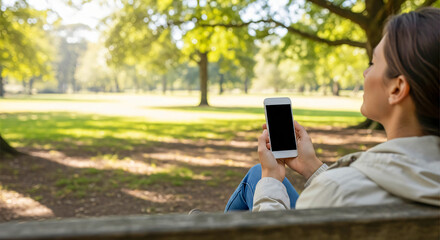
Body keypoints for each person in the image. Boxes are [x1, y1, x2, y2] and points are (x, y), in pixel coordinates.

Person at [225, 7, 440, 212]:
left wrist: (271, 177)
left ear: (397, 88)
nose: (365, 73)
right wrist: (311, 166)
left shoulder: (335, 192)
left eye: (373, 63)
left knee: (259, 176)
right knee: (256, 174)